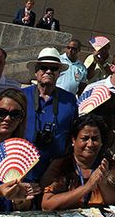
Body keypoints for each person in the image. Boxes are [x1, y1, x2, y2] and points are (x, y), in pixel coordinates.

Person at [40, 114, 115, 210]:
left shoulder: (108, 165)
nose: (90, 144)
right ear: (73, 140)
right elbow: (46, 205)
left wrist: (103, 183)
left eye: (95, 139)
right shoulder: (61, 165)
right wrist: (87, 187)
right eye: (85, 139)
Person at [23, 48, 79, 181]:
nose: (48, 71)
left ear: (59, 73)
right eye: (44, 67)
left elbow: (74, 132)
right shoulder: (21, 96)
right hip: (21, 169)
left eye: (53, 68)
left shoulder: (70, 100)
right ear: (36, 72)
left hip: (54, 173)